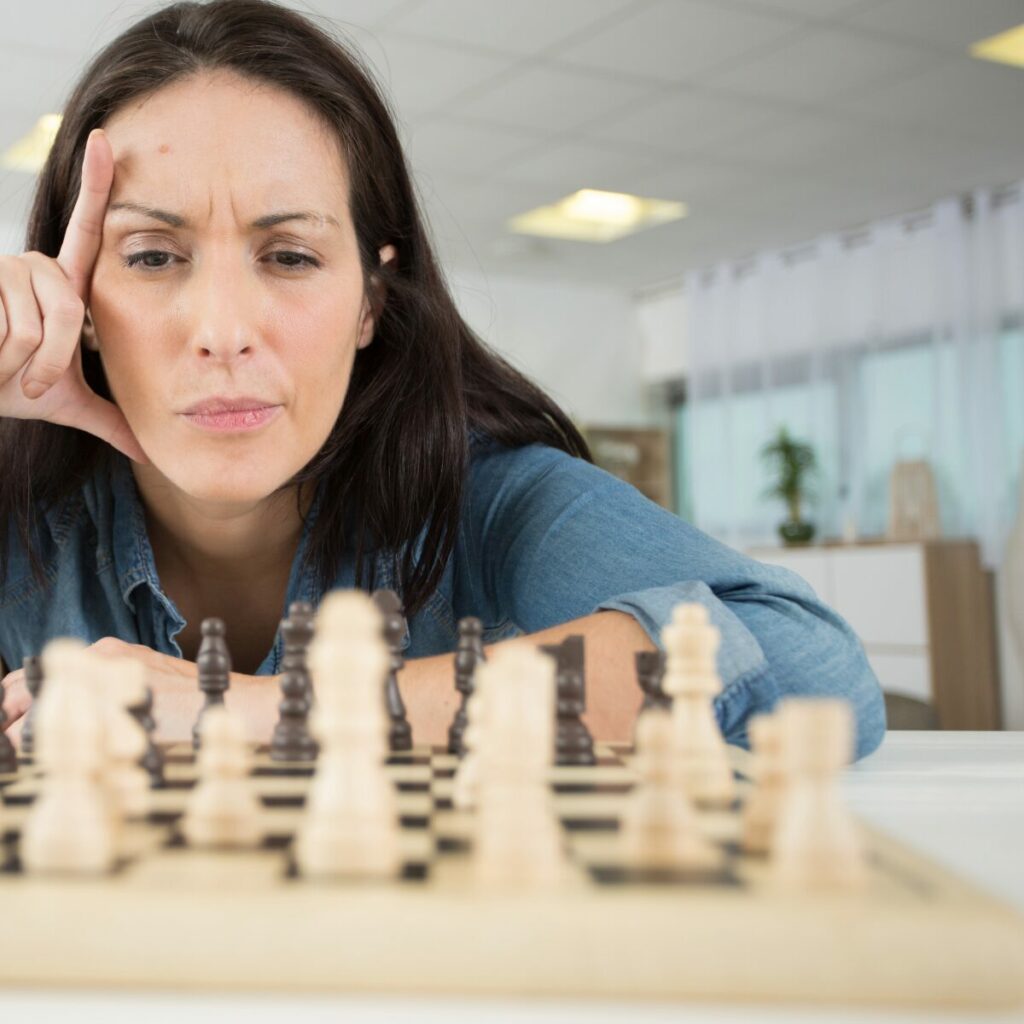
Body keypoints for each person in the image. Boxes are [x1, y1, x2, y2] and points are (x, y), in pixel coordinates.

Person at [0, 0, 885, 756]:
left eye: (292, 256)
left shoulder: (486, 499)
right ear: (76, 297)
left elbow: (804, 665)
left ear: (370, 303)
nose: (223, 333)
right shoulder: (22, 505)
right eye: (153, 255)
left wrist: (259, 711)